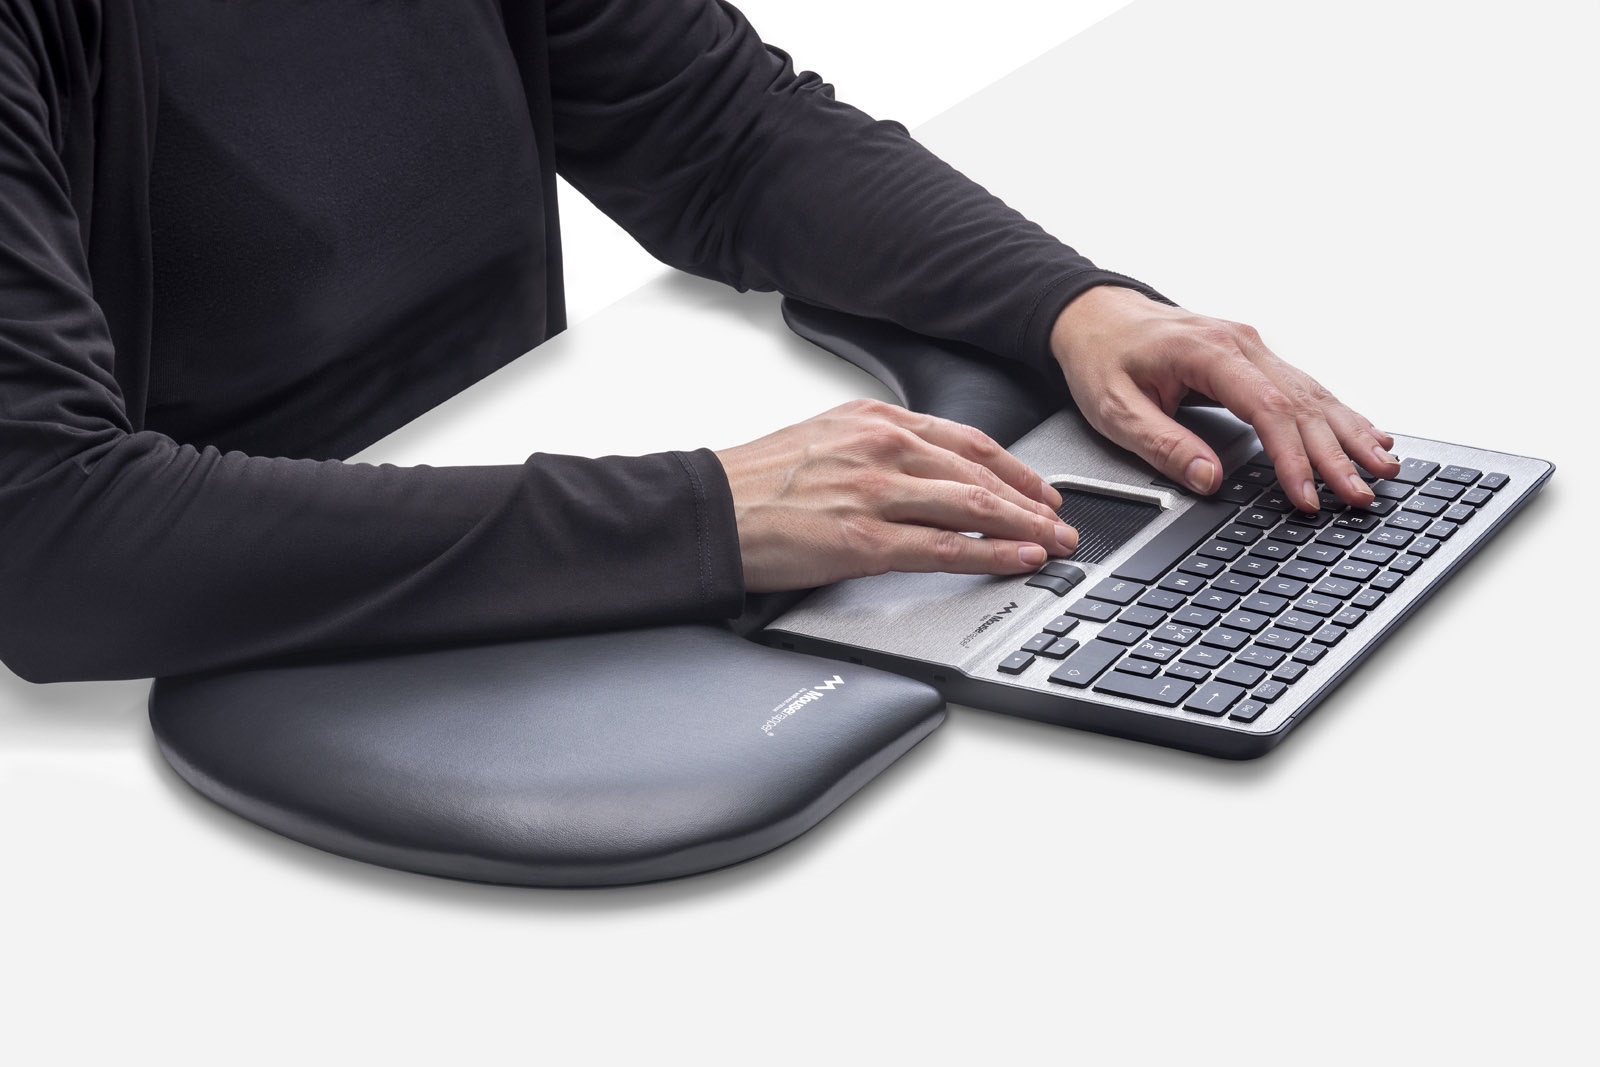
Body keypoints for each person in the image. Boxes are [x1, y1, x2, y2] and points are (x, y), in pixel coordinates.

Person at [0, 0, 1396, 684]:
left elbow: (714, 129)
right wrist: (712, 511)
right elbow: (47, 537)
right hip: (186, 661)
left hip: (511, 558)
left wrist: (1074, 306)